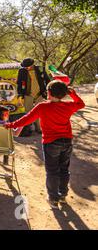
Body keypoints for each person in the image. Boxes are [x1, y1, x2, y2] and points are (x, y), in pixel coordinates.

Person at [5, 80, 85, 209]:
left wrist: (11, 125)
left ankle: (53, 199)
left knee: (52, 171)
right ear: (64, 94)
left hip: (51, 143)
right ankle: (62, 195)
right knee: (64, 169)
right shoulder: (68, 106)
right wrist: (73, 93)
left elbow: (27, 119)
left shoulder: (42, 107)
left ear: (48, 92)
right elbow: (81, 104)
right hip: (67, 142)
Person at [17, 58, 51, 134]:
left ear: (32, 65)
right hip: (27, 94)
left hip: (40, 94)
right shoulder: (21, 71)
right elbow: (19, 83)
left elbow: (47, 80)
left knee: (39, 111)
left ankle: (39, 128)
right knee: (28, 113)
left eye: (27, 66)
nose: (25, 68)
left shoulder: (40, 69)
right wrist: (19, 94)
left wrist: (48, 91)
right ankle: (29, 129)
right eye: (24, 66)